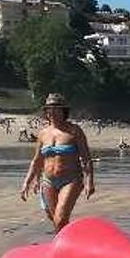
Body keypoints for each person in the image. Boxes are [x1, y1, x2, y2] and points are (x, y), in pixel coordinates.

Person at [20, 93, 95, 232]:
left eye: (56, 108)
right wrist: (27, 182)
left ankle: (66, 245)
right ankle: (67, 246)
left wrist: (89, 181)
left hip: (71, 180)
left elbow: (86, 158)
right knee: (55, 219)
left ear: (63, 111)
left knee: (60, 219)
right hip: (48, 181)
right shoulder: (43, 133)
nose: (52, 112)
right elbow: (37, 160)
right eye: (49, 109)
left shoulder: (74, 131)